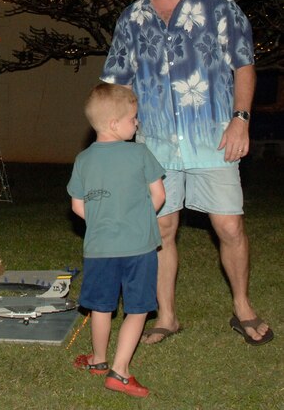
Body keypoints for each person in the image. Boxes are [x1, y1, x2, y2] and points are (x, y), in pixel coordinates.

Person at [101, 0, 274, 346]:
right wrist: (109, 137)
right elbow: (116, 84)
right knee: (161, 229)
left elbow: (244, 65)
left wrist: (241, 118)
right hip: (155, 144)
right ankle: (168, 317)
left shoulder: (218, 7)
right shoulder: (132, 20)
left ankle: (242, 307)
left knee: (229, 225)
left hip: (212, 137)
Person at [68, 82, 165, 398]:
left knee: (101, 307)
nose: (137, 123)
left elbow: (77, 206)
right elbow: (159, 196)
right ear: (114, 124)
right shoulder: (139, 153)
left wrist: (102, 220)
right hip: (139, 248)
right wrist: (136, 219)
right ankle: (119, 372)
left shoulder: (83, 160)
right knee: (137, 309)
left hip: (99, 249)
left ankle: (98, 359)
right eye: (133, 118)